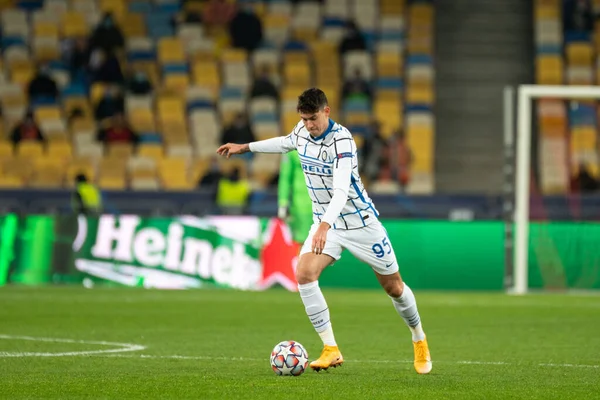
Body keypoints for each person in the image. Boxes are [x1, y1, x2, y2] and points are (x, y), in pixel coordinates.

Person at [216, 88, 432, 374]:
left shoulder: (342, 141)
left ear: (327, 111)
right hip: (325, 223)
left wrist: (324, 226)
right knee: (304, 274)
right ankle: (331, 349)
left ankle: (419, 339)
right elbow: (284, 143)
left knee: (394, 287)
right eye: (304, 119)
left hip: (360, 223)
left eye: (313, 118)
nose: (309, 125)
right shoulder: (301, 132)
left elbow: (341, 190)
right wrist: (244, 147)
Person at [278, 151, 313, 245]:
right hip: (301, 207)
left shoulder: (327, 143)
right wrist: (283, 203)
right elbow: (285, 178)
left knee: (326, 247)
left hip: (325, 206)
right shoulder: (292, 148)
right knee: (303, 243)